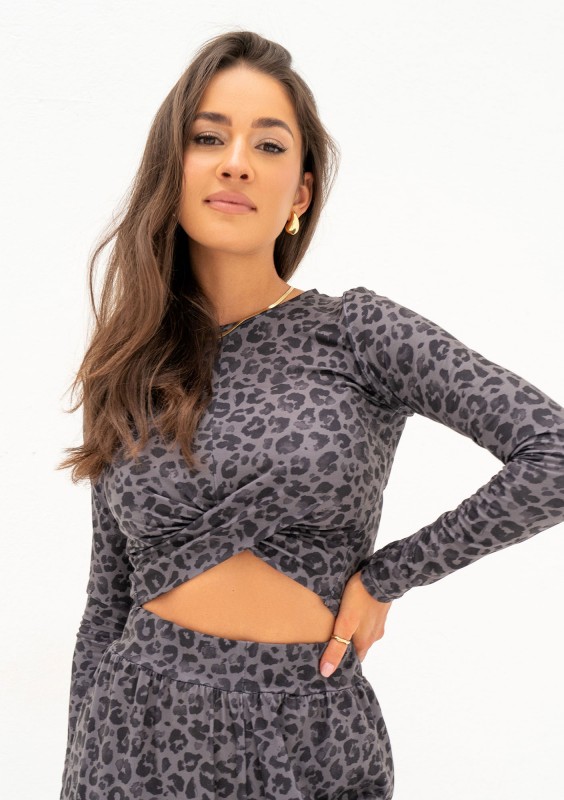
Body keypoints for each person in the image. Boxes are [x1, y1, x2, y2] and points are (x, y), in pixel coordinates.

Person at [57, 29, 564, 800]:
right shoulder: (131, 363)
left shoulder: (357, 332)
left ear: (299, 192)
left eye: (268, 144)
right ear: (174, 167)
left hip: (309, 737)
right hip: (133, 734)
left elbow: (551, 452)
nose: (236, 161)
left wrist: (390, 576)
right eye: (208, 137)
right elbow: (106, 604)